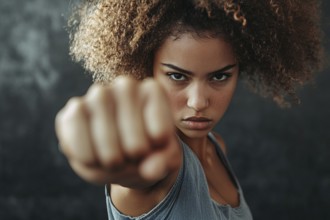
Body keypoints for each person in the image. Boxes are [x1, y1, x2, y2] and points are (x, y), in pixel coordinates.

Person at [55, 0, 322, 219]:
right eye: (177, 76)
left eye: (219, 77)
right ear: (148, 70)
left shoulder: (216, 147)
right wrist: (106, 156)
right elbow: (140, 171)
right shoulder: (163, 162)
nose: (198, 102)